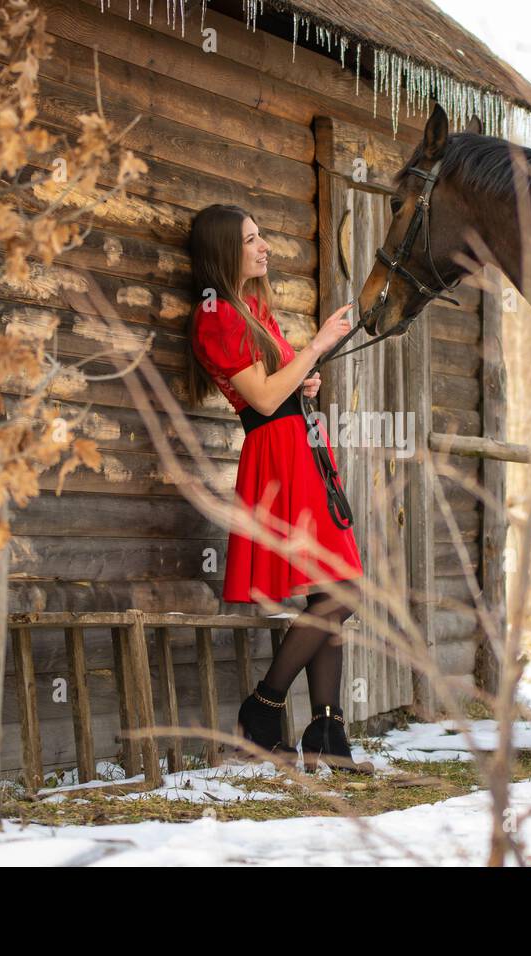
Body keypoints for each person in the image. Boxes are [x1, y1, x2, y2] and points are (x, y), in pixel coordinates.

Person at [187, 203, 373, 774]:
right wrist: (314, 348)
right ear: (225, 250)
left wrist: (304, 379)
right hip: (278, 454)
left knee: (331, 589)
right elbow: (263, 399)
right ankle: (265, 706)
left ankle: (326, 731)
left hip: (303, 448)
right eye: (251, 239)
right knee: (340, 591)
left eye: (261, 234)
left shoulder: (251, 310)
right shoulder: (214, 315)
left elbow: (278, 386)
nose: (263, 246)